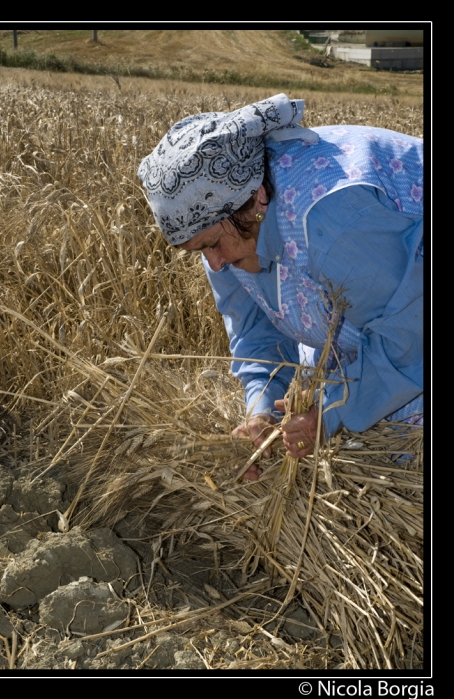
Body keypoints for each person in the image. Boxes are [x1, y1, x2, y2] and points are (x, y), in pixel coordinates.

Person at [138, 94, 423, 480]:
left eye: (210, 245)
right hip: (386, 321)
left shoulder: (329, 219)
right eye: (198, 251)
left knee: (399, 451)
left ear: (255, 200)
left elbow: (413, 336)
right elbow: (256, 333)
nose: (214, 264)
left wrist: (328, 413)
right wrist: (262, 411)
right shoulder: (228, 231)